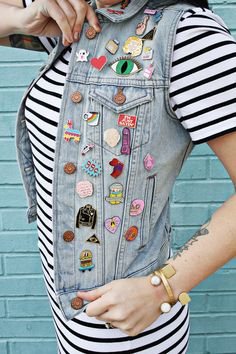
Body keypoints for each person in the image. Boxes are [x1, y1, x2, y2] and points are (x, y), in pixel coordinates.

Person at [1, 0, 236, 353]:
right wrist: (25, 18)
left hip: (131, 335)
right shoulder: (78, 19)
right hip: (69, 321)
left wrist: (162, 288)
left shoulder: (187, 36)